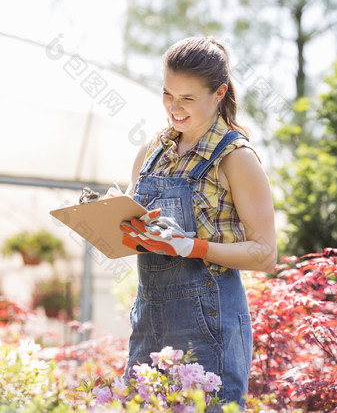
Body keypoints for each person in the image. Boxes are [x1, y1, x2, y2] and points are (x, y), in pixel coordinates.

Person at [118, 36, 277, 409]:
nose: (174, 108)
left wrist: (191, 247)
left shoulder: (236, 158)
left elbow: (265, 254)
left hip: (210, 324)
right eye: (167, 94)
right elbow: (130, 226)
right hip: (149, 318)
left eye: (187, 98)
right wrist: (113, 223)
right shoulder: (152, 151)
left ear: (218, 92)